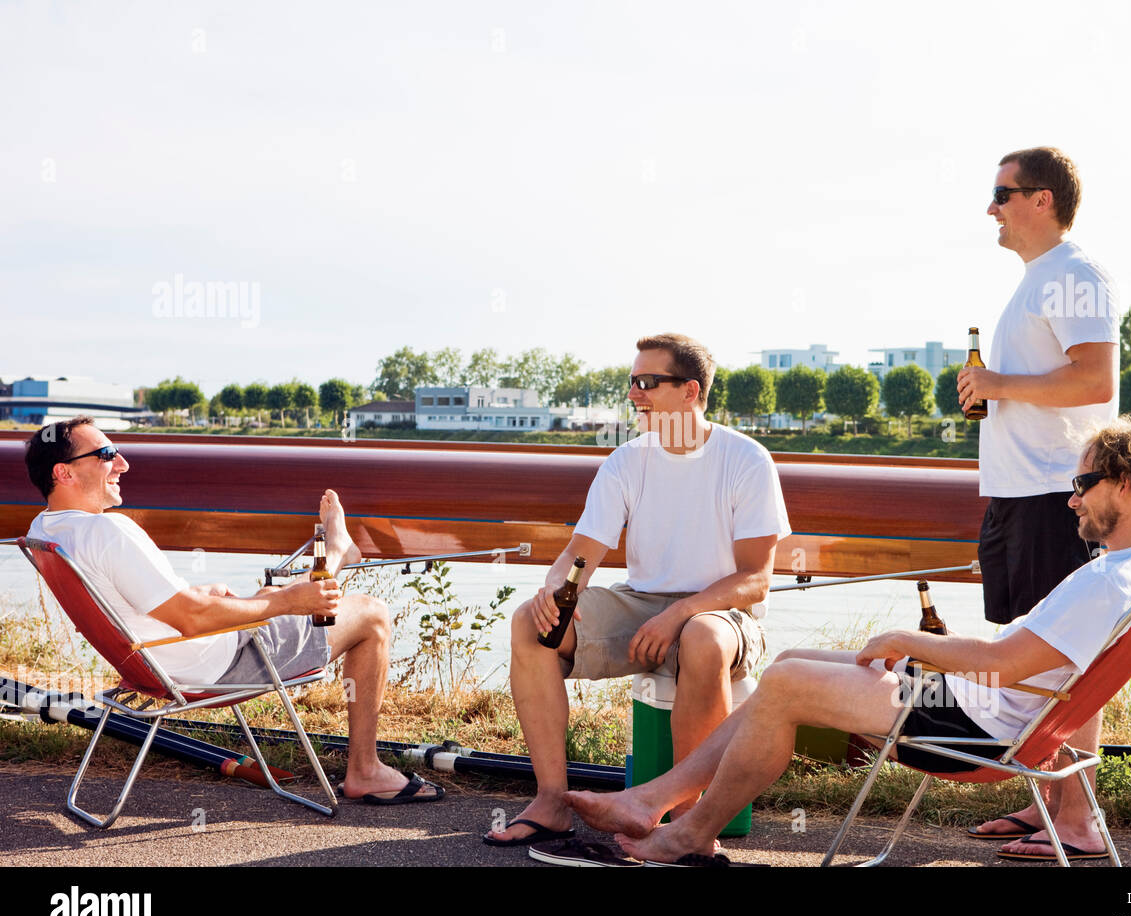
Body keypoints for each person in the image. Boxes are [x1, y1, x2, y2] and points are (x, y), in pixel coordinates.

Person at [565, 415, 1131, 865]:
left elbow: (1003, 663)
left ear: (1125, 484)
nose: (1071, 501)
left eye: (1081, 486)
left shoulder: (1108, 579)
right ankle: (651, 801)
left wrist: (906, 642)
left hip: (969, 727)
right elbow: (1066, 681)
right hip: (996, 715)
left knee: (783, 684)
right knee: (788, 659)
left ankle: (689, 833)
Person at [24, 417, 442, 805]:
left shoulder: (45, 531)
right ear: (64, 472)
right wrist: (288, 601)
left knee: (264, 596)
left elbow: (126, 603)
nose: (123, 463)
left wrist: (202, 594)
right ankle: (365, 771)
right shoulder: (108, 530)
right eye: (106, 455)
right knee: (370, 614)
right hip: (214, 666)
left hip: (150, 665)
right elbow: (191, 618)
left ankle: (331, 560)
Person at [485, 333, 790, 847]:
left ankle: (689, 824)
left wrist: (682, 614)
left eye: (648, 383)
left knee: (703, 638)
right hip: (642, 605)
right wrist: (555, 588)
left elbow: (756, 580)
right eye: (631, 383)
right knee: (530, 626)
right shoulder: (627, 461)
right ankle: (552, 801)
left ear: (691, 391)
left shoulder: (747, 460)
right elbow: (582, 553)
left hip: (725, 614)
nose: (635, 394)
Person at [957, 146, 1121, 856]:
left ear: (1042, 199)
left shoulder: (1074, 274)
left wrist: (997, 385)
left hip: (1059, 495)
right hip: (1021, 494)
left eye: (1002, 192)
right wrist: (988, 388)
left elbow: (1094, 382)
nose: (990, 207)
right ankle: (1044, 804)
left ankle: (1079, 820)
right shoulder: (1039, 281)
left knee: (1071, 658)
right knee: (1036, 653)